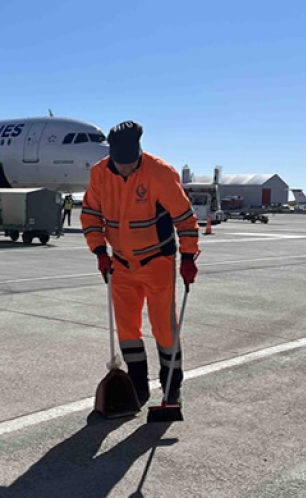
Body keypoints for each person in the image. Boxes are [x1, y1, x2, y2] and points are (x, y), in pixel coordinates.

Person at [80, 121, 199, 407]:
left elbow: (185, 219)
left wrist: (187, 257)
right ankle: (137, 384)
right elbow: (91, 215)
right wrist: (99, 252)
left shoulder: (159, 172)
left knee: (164, 326)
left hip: (157, 260)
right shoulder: (99, 173)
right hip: (120, 263)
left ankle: (172, 386)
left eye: (130, 164)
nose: (125, 170)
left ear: (139, 154)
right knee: (127, 328)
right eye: (120, 165)